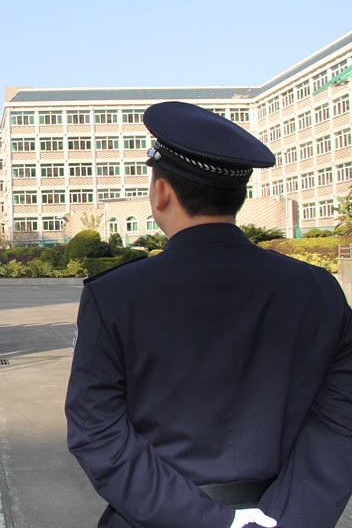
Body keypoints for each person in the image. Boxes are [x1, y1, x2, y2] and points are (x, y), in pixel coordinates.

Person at [65, 101, 352, 528]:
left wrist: (207, 520)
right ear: (239, 195)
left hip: (159, 517)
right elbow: (339, 421)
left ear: (161, 192)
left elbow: (97, 430)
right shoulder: (317, 289)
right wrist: (288, 518)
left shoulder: (116, 295)